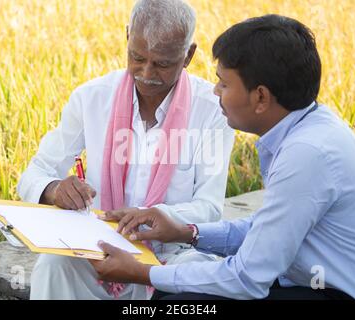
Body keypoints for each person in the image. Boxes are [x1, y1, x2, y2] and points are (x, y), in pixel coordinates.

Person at [88, 14, 355, 300]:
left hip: (338, 292)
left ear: (261, 97)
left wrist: (143, 273)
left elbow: (247, 278)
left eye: (224, 84)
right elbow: (264, 230)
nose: (215, 92)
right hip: (311, 281)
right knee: (178, 291)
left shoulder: (306, 155)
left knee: (180, 300)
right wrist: (185, 232)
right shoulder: (308, 129)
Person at [17, 0, 234, 300]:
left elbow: (209, 208)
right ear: (127, 36)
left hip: (173, 253)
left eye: (162, 63)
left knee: (195, 285)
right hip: (101, 247)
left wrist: (154, 216)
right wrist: (53, 189)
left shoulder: (212, 111)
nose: (146, 72)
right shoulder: (91, 98)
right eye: (137, 57)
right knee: (54, 266)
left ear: (188, 56)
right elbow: (34, 174)